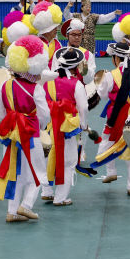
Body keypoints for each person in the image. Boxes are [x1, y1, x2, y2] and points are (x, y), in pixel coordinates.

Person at [0, 35, 50, 222]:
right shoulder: (37, 89)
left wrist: (11, 123)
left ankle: (12, 211)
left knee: (14, 172)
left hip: (11, 135)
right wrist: (38, 126)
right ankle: (26, 205)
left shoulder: (5, 85)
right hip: (30, 134)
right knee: (38, 172)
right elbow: (44, 114)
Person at [93, 41, 130, 195]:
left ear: (116, 58)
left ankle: (111, 171)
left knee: (107, 140)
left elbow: (102, 95)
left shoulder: (111, 75)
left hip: (117, 114)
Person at [43, 47, 89, 206]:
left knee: (49, 157)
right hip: (67, 127)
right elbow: (83, 107)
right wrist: (83, 124)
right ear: (76, 67)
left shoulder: (48, 81)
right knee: (68, 162)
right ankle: (60, 197)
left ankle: (46, 191)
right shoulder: (76, 84)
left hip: (49, 125)